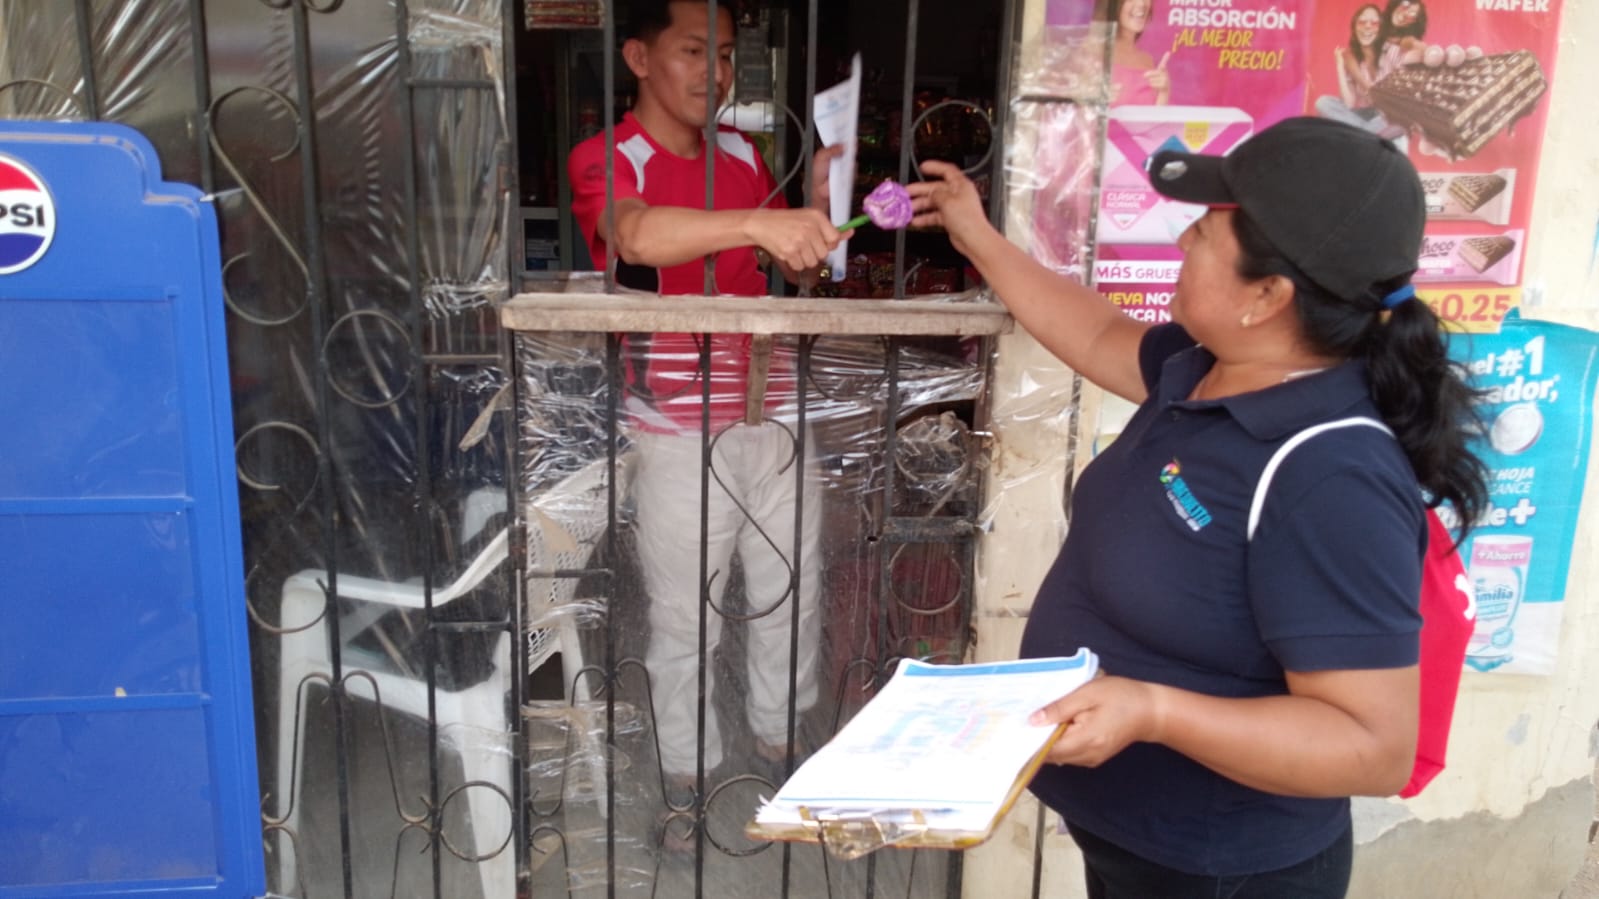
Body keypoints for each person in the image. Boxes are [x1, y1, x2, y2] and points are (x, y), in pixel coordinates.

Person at [908, 117, 1487, 897]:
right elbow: (1097, 333)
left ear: (1267, 296)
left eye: (1206, 231)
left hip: (1221, 871)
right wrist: (975, 235)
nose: (1182, 239)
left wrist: (1153, 711)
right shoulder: (1208, 369)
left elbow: (1371, 747)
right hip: (1135, 843)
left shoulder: (1329, 473)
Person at [565, 0, 843, 826]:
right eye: (693, 51)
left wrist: (816, 217)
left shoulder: (743, 155)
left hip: (776, 409)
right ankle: (685, 774)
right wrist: (759, 219)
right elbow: (637, 237)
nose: (715, 73)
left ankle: (778, 742)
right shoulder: (608, 156)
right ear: (639, 58)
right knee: (686, 615)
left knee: (792, 595)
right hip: (677, 431)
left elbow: (788, 278)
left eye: (723, 56)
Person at [1315, 4, 1403, 136]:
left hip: (1386, 115)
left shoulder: (1392, 51)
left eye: (1374, 23)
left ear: (1381, 29)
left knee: (1397, 117)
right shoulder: (1352, 59)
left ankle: (1357, 134)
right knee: (1323, 103)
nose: (1367, 26)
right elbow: (1349, 103)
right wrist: (1339, 66)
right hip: (1363, 114)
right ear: (1355, 27)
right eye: (1362, 22)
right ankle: (1366, 134)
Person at [1099, 0, 1170, 106]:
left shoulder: (1147, 60)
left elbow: (1154, 116)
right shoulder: (1093, 54)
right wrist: (1096, 104)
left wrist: (1163, 93)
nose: (1141, 4)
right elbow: (1079, 110)